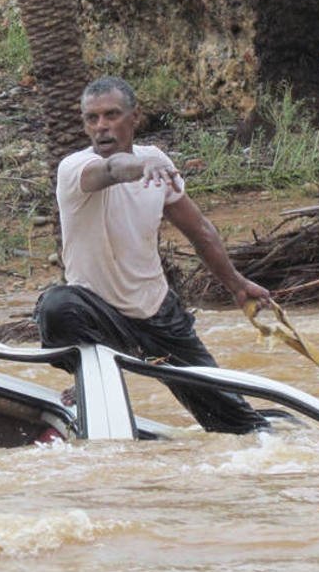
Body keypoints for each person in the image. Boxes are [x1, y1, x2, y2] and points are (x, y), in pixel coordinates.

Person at [34, 76, 271, 434]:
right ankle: (90, 377)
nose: (101, 127)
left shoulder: (157, 161)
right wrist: (141, 167)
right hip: (97, 315)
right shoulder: (75, 168)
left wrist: (236, 285)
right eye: (91, 118)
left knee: (241, 424)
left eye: (111, 115)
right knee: (56, 307)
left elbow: (200, 230)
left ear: (134, 118)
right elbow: (113, 169)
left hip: (158, 313)